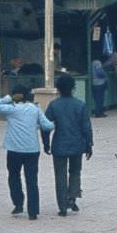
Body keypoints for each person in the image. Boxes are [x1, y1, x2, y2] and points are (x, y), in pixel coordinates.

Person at [0, 84, 54, 220]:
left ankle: (18, 204)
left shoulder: (11, 109)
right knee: (32, 179)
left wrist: (8, 97)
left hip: (14, 149)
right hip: (32, 150)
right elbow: (47, 126)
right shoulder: (35, 109)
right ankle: (33, 211)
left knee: (14, 176)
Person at [42, 75, 94, 217]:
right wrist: (89, 145)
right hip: (77, 144)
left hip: (59, 144)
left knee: (60, 175)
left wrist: (45, 143)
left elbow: (46, 126)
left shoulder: (54, 105)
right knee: (75, 171)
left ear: (58, 88)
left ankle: (62, 206)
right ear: (73, 88)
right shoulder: (80, 105)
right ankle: (72, 196)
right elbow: (86, 127)